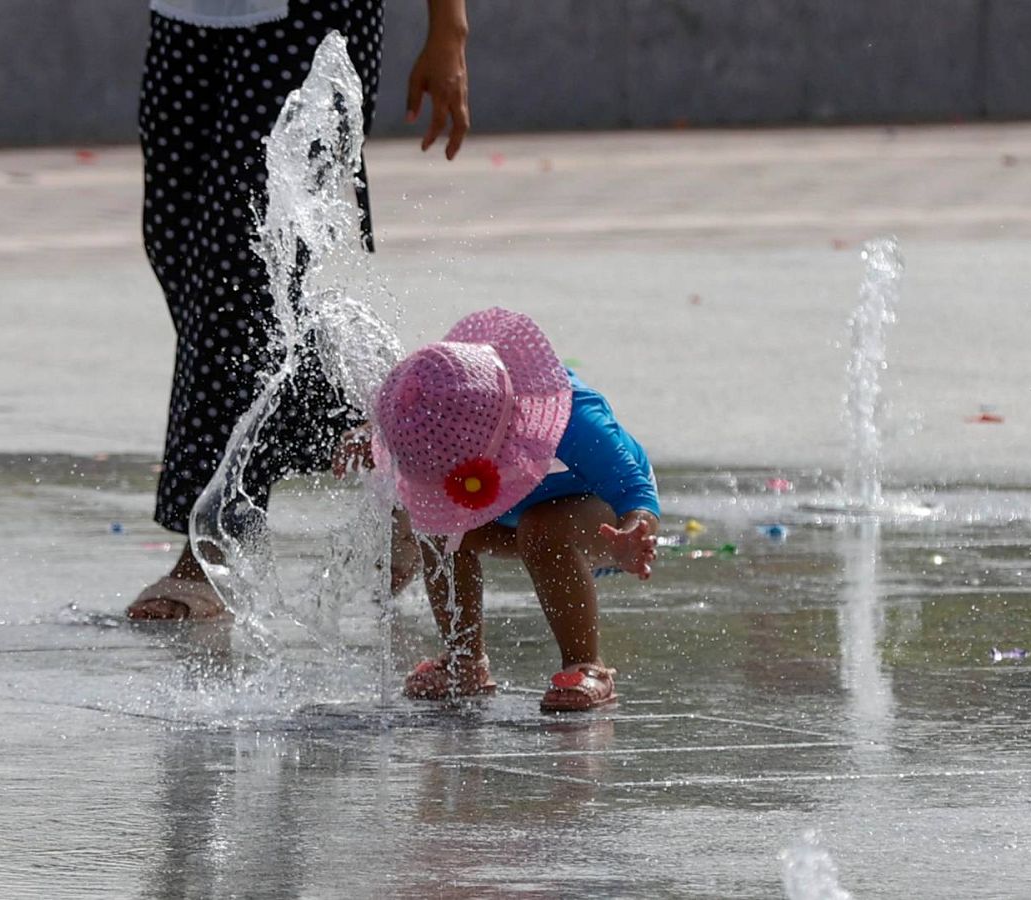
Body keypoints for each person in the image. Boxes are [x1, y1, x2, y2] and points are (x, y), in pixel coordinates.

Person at [127, 0, 471, 620]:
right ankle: (405, 458)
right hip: (186, 16)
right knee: (178, 247)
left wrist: (448, 28)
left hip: (307, 15)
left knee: (241, 269)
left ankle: (212, 550)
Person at [361, 308, 661, 712]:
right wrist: (373, 444)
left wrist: (633, 533)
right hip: (510, 515)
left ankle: (587, 664)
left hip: (601, 521)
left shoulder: (572, 415)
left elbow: (634, 489)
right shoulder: (442, 416)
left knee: (544, 530)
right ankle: (464, 659)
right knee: (439, 529)